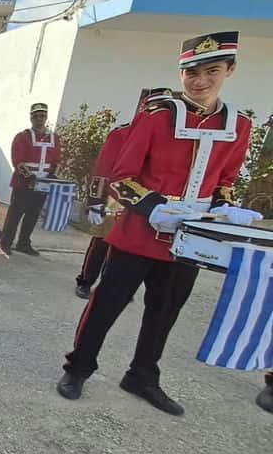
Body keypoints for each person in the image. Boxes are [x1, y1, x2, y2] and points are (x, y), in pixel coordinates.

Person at [56, 32, 263, 415]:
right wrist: (154, 207)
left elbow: (225, 181)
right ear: (181, 73)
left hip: (190, 238)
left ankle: (142, 375)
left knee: (165, 311)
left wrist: (225, 207)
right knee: (106, 305)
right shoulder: (158, 116)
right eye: (191, 72)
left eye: (212, 71)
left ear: (230, 70)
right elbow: (121, 176)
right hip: (138, 233)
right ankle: (78, 368)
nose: (200, 80)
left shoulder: (240, 125)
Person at [76, 88, 173, 299]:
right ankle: (85, 281)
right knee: (101, 243)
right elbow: (103, 168)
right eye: (155, 106)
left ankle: (111, 287)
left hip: (146, 201)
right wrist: (95, 200)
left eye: (166, 107)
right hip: (117, 197)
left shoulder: (173, 138)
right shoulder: (122, 134)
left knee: (127, 249)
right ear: (143, 107)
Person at [0, 102, 60, 256]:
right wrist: (30, 178)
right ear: (31, 118)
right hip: (23, 183)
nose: (39, 119)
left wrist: (51, 177)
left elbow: (57, 160)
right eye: (36, 116)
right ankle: (5, 243)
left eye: (42, 116)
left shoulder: (54, 138)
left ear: (46, 117)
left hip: (43, 184)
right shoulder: (22, 137)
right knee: (15, 215)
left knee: (33, 215)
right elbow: (17, 160)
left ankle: (24, 243)